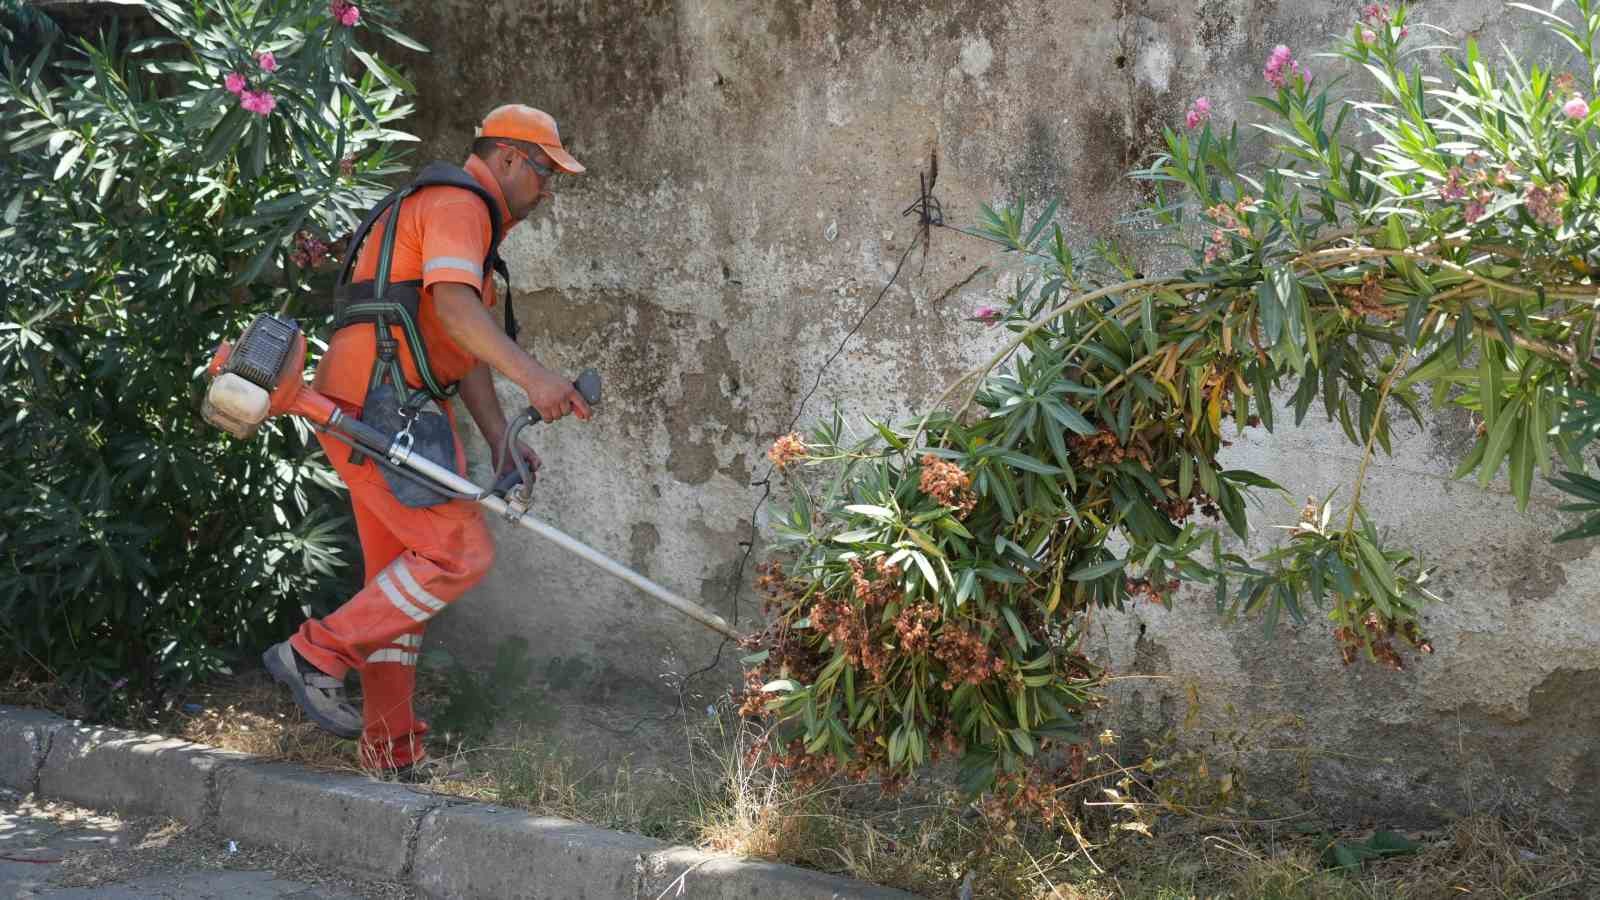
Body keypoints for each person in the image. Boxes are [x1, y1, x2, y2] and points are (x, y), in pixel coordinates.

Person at [262, 104, 591, 778]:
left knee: (398, 588)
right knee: (458, 552)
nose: (548, 188)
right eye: (544, 170)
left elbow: (459, 348)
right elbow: (452, 311)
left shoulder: (470, 232)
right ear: (504, 158)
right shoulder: (457, 201)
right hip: (381, 406)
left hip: (388, 402)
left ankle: (391, 753)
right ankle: (315, 652)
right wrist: (536, 379)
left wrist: (500, 438)